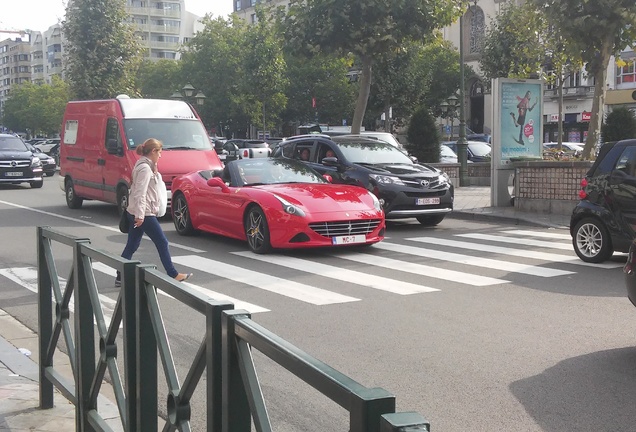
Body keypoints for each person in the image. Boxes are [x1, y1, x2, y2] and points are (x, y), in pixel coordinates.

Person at [116, 138, 192, 286]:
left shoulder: (143, 164)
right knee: (162, 242)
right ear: (153, 151)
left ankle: (120, 276)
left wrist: (155, 169)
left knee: (132, 245)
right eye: (159, 152)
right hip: (144, 213)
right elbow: (141, 193)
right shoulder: (145, 168)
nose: (161, 155)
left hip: (136, 211)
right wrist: (140, 216)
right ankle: (173, 274)